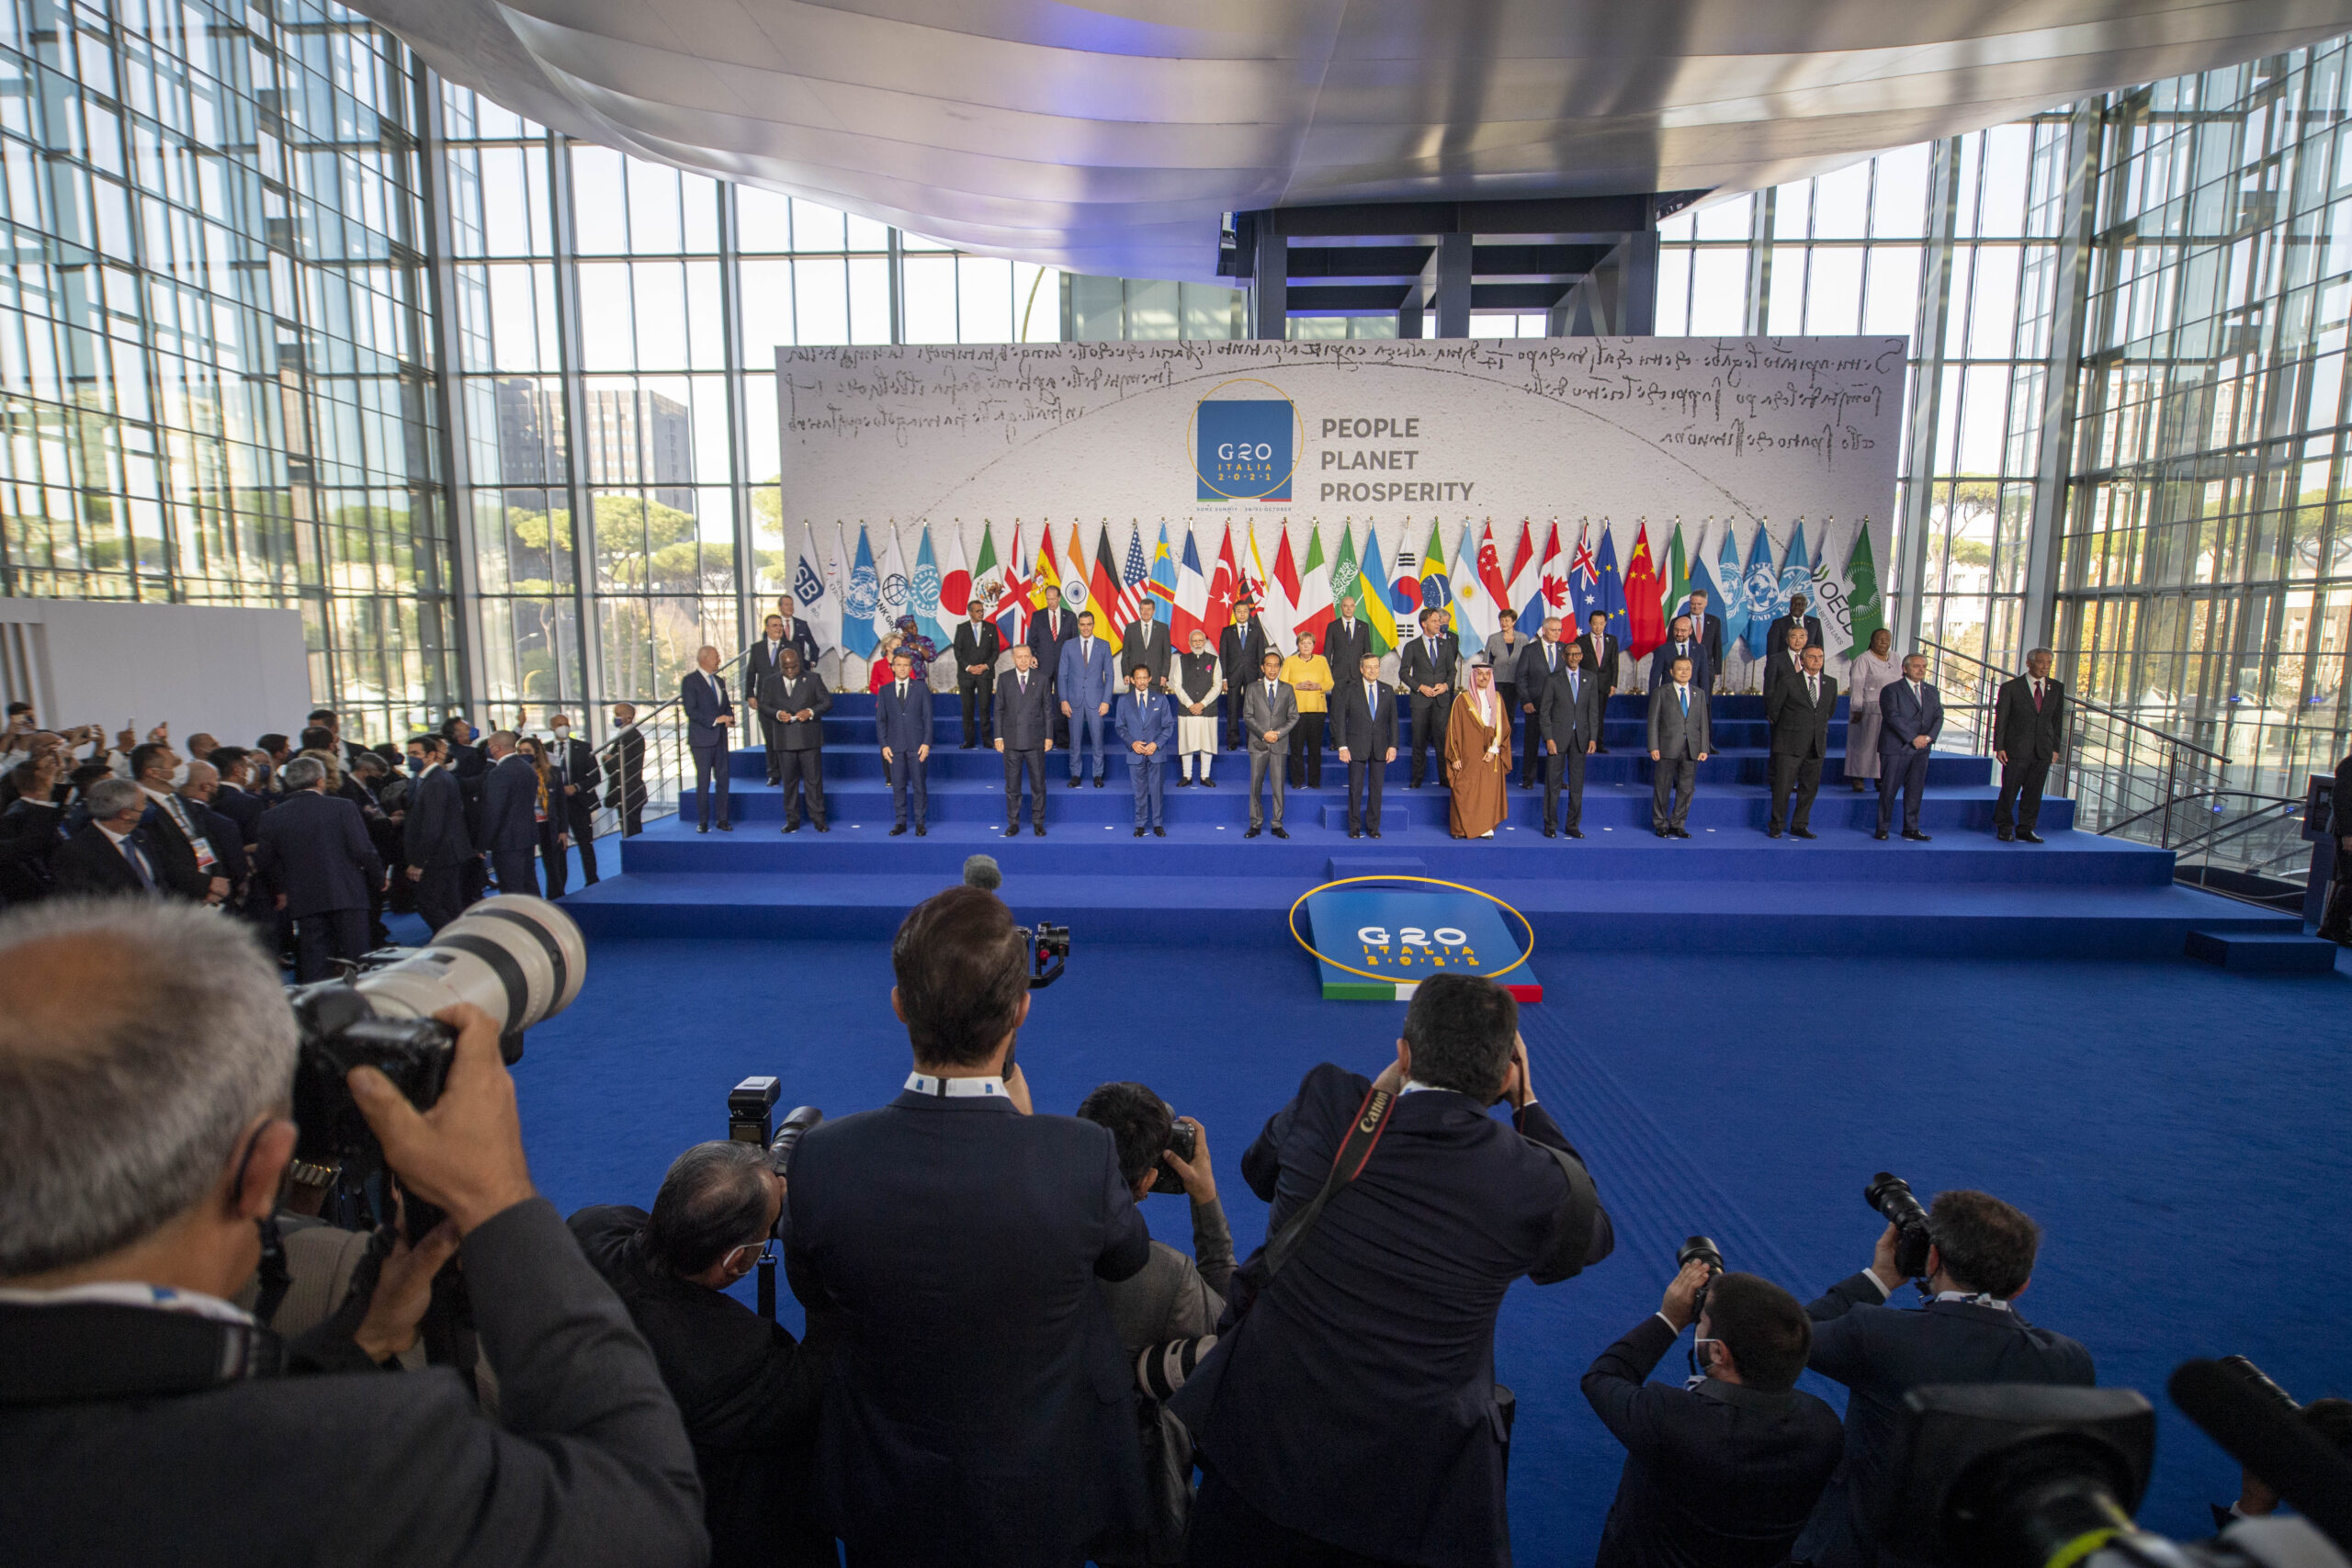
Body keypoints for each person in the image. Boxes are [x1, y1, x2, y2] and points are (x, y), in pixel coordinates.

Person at [0, 899, 707, 1568]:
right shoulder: (353, 1463)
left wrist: (353, 1347)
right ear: (262, 1171)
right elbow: (652, 1513)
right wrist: (497, 1197)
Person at [1174, 974, 1613, 1568]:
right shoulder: (1533, 1179)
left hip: (1262, 1456)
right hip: (1408, 1503)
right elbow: (1592, 1233)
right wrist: (1527, 1105)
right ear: (1504, 1074)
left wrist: (1377, 1098)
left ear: (1404, 1053)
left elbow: (1260, 1172)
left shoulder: (1328, 1100)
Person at [784, 886, 1152, 1566]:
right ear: (1021, 1010)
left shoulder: (821, 1159)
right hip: (1034, 1499)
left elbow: (813, 1292)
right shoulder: (1080, 1155)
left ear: (900, 1005)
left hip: (884, 1496)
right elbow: (1128, 1258)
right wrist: (1030, 1135)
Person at [1795, 1190, 2094, 1568]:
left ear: (1932, 1257)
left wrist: (1880, 1278)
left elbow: (1791, 1334)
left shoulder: (1877, 1335)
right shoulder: (2068, 1362)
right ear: (2022, 1287)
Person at [570, 1143, 835, 1568]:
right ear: (735, 1262)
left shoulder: (588, 1230)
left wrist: (744, 1189)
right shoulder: (733, 1357)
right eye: (769, 1226)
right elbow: (822, 1375)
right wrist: (810, 1250)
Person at [1582, 1263, 1843, 1568]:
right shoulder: (1824, 1427)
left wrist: (1670, 1318)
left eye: (1702, 1320)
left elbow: (1602, 1377)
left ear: (1718, 1353)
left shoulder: (1671, 1419)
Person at [1072, 1087, 1233, 1347]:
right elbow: (1231, 1333)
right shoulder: (1169, 1275)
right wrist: (1205, 1198)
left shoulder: (1017, 1222)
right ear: (1147, 1182)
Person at [256, 754, 388, 980]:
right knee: (356, 957)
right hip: (347, 892)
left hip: (304, 898)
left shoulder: (271, 817)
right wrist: (380, 877)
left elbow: (266, 861)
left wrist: (281, 890)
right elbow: (362, 849)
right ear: (320, 780)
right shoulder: (342, 807)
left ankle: (317, 1000)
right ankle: (359, 997)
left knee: (315, 959)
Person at [130, 741, 228, 905]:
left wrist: (214, 876)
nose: (182, 768)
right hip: (178, 897)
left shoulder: (181, 800)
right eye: (175, 764)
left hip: (208, 892)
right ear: (154, 773)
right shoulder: (139, 806)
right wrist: (203, 884)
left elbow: (200, 841)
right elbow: (158, 857)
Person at [1993, 647, 2066, 843]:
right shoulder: (2011, 687)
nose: (2045, 667)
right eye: (2041, 662)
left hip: (2043, 749)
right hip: (2016, 748)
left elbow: (2057, 721)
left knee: (2034, 793)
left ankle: (2026, 828)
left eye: (2049, 663)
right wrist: (1999, 746)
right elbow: (2002, 719)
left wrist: (2055, 748)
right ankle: (2004, 827)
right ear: (2029, 663)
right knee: (2010, 791)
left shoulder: (2056, 687)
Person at [402, 734, 474, 931]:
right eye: (409, 754)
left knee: (429, 903)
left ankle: (450, 939)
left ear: (431, 755)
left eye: (416, 754)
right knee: (449, 903)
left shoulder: (436, 781)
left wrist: (418, 862)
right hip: (445, 852)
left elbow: (432, 826)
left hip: (440, 854)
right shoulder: (422, 779)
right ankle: (460, 938)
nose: (411, 758)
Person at [1765, 646, 1836, 840]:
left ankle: (1800, 825)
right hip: (1789, 744)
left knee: (1809, 788)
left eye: (1820, 656)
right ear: (1802, 661)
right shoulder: (1788, 681)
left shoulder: (1830, 683)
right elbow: (1774, 711)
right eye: (1812, 657)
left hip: (1816, 744)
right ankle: (1777, 825)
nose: (1817, 660)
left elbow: (1828, 712)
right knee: (1783, 788)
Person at [47, 777, 163, 896]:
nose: (146, 807)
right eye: (143, 803)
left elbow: (160, 881)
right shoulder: (76, 853)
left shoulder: (141, 836)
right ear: (125, 814)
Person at [762, 647, 832, 834]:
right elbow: (764, 706)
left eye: (794, 666)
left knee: (813, 781)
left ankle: (818, 819)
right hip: (784, 740)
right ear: (780, 665)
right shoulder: (770, 682)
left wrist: (810, 712)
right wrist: (778, 714)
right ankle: (792, 820)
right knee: (789, 782)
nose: (791, 671)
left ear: (799, 663)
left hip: (809, 738)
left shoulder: (813, 679)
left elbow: (826, 702)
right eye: (786, 668)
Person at [1875, 653, 1943, 842]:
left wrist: (1928, 738)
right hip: (1896, 748)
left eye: (1924, 666)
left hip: (1922, 749)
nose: (1921, 670)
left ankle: (1911, 828)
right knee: (1889, 789)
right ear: (1905, 669)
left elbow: (1939, 715)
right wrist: (1913, 738)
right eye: (1916, 666)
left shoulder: (1932, 690)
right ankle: (1882, 828)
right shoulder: (1891, 690)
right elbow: (1892, 716)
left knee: (1915, 790)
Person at [1538, 638, 1600, 838]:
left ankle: (1572, 825)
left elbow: (1593, 711)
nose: (1574, 658)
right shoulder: (1553, 679)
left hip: (1581, 738)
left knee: (1577, 784)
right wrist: (1548, 738)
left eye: (1577, 654)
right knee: (1553, 783)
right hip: (1557, 739)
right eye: (1570, 654)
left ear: (1581, 657)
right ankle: (1550, 825)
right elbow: (1544, 712)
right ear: (1564, 657)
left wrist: (1593, 737)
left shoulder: (1590, 678)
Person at [1445, 655, 1510, 840]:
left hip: (1490, 754)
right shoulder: (1461, 700)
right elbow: (1453, 730)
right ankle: (1460, 829)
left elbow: (1503, 728)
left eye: (1487, 674)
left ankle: (1485, 828)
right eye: (1480, 674)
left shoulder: (1497, 699)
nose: (1483, 677)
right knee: (1464, 789)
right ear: (1473, 676)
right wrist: (1455, 756)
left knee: (1487, 791)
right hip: (1467, 753)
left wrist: (1493, 750)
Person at [1333, 652, 1396, 840]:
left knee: (1377, 789)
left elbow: (1393, 721)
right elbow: (1340, 720)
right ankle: (1354, 827)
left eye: (1376, 667)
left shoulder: (1387, 690)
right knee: (1355, 788)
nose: (1372, 670)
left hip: (1380, 747)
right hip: (1356, 746)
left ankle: (1373, 827)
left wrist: (1393, 745)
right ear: (1361, 669)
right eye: (1368, 667)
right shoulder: (1349, 690)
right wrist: (1342, 746)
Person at [995, 643, 1055, 837]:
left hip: (1035, 740)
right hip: (1011, 741)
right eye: (1019, 657)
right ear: (1013, 658)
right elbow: (999, 710)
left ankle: (1038, 822)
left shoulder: (1042, 679)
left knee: (1038, 785)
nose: (1023, 660)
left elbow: (1048, 710)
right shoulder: (1004, 679)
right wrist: (998, 736)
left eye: (1026, 656)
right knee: (1012, 786)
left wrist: (1049, 736)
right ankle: (1013, 822)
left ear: (1031, 658)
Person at [1647, 655, 1710, 840]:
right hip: (1666, 747)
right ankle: (1661, 824)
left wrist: (1704, 747)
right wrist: (1653, 746)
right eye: (1680, 669)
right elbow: (1653, 722)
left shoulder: (1699, 693)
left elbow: (1703, 723)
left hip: (1692, 748)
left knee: (1686, 789)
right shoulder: (1661, 692)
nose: (1684, 672)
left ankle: (1678, 824)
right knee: (1662, 787)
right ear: (1672, 672)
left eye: (1687, 669)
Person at [1398, 607, 1459, 787]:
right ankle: (1417, 777)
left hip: (1441, 701)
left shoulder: (1446, 645)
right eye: (1434, 621)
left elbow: (1452, 670)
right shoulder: (1412, 646)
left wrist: (1446, 685)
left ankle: (1445, 777)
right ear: (1424, 624)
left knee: (1442, 741)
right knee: (1419, 741)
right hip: (1420, 701)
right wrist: (1419, 687)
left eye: (1439, 621)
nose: (1439, 624)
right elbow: (1403, 673)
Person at [1059, 611, 1118, 789]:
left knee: (1097, 740)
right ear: (1079, 625)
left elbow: (1110, 675)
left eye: (1089, 624)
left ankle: (1098, 775)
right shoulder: (1068, 646)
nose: (1085, 628)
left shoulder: (1104, 645)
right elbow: (1062, 675)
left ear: (1093, 624)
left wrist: (1106, 701)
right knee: (1074, 741)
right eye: (1082, 624)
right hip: (1073, 700)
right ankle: (1075, 774)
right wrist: (1063, 699)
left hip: (1096, 701)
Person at [876, 647, 931, 836]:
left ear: (910, 667)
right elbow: (881, 720)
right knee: (898, 786)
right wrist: (884, 745)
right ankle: (901, 822)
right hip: (894, 747)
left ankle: (920, 822)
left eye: (906, 665)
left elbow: (928, 718)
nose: (902, 668)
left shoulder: (921, 688)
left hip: (917, 746)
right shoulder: (885, 690)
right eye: (898, 665)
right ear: (892, 667)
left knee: (919, 785)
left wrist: (926, 743)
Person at [544, 712, 602, 888]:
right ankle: (559, 886)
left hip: (578, 803)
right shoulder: (544, 750)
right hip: (555, 806)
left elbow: (595, 776)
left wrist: (576, 787)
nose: (563, 727)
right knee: (558, 847)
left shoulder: (583, 747)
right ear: (551, 727)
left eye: (566, 723)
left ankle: (592, 881)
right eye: (559, 724)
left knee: (585, 844)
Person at [480, 730, 542, 893]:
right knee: (529, 885)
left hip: (506, 841)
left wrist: (482, 844)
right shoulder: (527, 768)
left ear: (495, 748)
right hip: (526, 837)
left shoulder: (498, 773)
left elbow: (494, 811)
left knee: (512, 889)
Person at [1115, 663, 1173, 838]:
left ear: (1150, 679)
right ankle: (1140, 824)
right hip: (1135, 753)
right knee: (1139, 791)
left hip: (1156, 753)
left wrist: (1156, 744)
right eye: (1138, 678)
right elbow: (1120, 727)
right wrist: (1132, 743)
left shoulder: (1161, 699)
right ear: (1132, 680)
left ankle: (1157, 824)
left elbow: (1168, 726)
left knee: (1156, 790)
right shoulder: (1123, 701)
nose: (1141, 681)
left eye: (1144, 678)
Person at [1243, 650, 1296, 840]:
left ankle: (1277, 824)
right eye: (1269, 665)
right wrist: (1264, 733)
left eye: (1276, 666)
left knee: (1278, 787)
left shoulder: (1288, 689)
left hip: (1279, 745)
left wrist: (1278, 733)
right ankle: (1255, 824)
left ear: (1280, 668)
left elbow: (1293, 716)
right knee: (1255, 786)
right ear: (1262, 668)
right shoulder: (1252, 688)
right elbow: (1247, 715)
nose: (1272, 669)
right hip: (1258, 744)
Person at [684, 643, 737, 832]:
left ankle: (722, 819)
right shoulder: (690, 681)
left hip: (720, 739)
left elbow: (726, 706)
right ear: (704, 659)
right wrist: (715, 720)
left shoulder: (719, 681)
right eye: (716, 657)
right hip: (701, 740)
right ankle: (703, 821)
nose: (719, 660)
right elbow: (691, 711)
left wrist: (729, 717)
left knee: (723, 780)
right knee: (704, 782)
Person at [1517, 615, 1571, 787]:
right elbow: (1521, 678)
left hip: (1558, 708)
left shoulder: (1565, 649)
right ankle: (1528, 779)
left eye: (1560, 630)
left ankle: (1556, 779)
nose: (1558, 633)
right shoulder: (1529, 650)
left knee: (1558, 744)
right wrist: (1526, 701)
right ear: (1544, 631)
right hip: (1534, 706)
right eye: (1554, 630)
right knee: (1532, 744)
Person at [1845, 626, 1900, 794]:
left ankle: (1880, 778)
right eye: (1880, 639)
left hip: (1890, 710)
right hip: (1868, 708)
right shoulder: (1863, 659)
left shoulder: (1895, 657)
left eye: (1887, 639)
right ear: (1872, 641)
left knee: (1885, 746)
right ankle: (1858, 777)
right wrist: (1857, 708)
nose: (1884, 642)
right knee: (1864, 745)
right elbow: (1856, 684)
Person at [514, 737, 571, 896]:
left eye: (527, 751)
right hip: (527, 824)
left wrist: (563, 830)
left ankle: (556, 896)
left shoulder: (553, 772)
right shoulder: (518, 773)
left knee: (553, 864)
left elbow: (561, 803)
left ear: (537, 753)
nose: (523, 754)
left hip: (548, 823)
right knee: (527, 865)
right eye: (520, 751)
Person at [746, 613, 799, 783]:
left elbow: (800, 672)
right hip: (765, 702)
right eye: (775, 625)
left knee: (789, 738)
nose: (778, 628)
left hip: (787, 700)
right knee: (770, 739)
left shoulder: (792, 647)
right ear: (767, 628)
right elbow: (750, 673)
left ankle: (791, 773)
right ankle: (774, 774)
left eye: (780, 625)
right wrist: (750, 694)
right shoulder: (757, 648)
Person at [1281, 628, 1332, 788]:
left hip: (1317, 711)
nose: (1306, 646)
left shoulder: (1322, 661)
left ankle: (1314, 781)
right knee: (1296, 748)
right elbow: (1282, 684)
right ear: (1298, 645)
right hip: (1297, 711)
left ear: (1313, 645)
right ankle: (1297, 781)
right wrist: (1297, 685)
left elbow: (1330, 683)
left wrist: (1318, 686)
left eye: (1309, 643)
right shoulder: (1290, 661)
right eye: (1302, 643)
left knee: (1315, 749)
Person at [1218, 598, 1272, 751]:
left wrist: (1261, 675)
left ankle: (1252, 740)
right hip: (1233, 675)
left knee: (1252, 710)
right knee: (1232, 709)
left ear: (1249, 613)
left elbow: (1261, 654)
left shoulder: (1257, 631)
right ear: (1234, 613)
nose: (1242, 614)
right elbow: (1223, 656)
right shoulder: (1227, 631)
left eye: (1245, 611)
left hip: (1252, 675)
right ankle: (1233, 741)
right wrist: (1224, 677)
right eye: (1239, 611)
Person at [1171, 628, 1223, 787]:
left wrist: (1202, 704)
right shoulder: (1182, 660)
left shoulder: (1214, 660)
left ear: (1205, 642)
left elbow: (1217, 685)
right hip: (1187, 710)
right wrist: (1190, 704)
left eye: (1200, 640)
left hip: (1207, 710)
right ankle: (1187, 776)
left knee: (1206, 743)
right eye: (1194, 641)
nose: (1198, 643)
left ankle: (1204, 776)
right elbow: (1177, 685)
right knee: (1187, 743)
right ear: (1189, 643)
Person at [1028, 595, 1080, 749]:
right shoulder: (1037, 616)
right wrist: (1032, 655)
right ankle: (1043, 738)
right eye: (1048, 599)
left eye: (1053, 599)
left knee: (1062, 702)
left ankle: (1063, 739)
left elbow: (1074, 641)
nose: (1050, 602)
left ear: (1059, 598)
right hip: (1042, 666)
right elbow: (1032, 640)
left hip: (1064, 666)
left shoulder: (1070, 616)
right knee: (1041, 702)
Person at [954, 600, 1001, 748]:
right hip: (966, 675)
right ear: (970, 612)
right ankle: (969, 740)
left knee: (984, 707)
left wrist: (986, 666)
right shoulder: (962, 628)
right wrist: (968, 667)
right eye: (978, 611)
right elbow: (957, 652)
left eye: (982, 610)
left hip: (985, 674)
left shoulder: (991, 628)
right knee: (967, 708)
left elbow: (996, 650)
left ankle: (987, 739)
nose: (981, 613)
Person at [2320, 747, 2352, 945]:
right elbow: (2341, 802)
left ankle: (2332, 927)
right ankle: (2336, 929)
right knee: (2349, 881)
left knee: (2346, 881)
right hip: (2347, 833)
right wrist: (2348, 835)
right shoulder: (2349, 765)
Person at [1577, 611, 1622, 750]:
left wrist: (1613, 684)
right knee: (1584, 714)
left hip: (1604, 684)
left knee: (1599, 715)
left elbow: (1614, 663)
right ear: (1590, 623)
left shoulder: (1612, 640)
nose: (1598, 627)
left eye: (1601, 624)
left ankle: (1599, 744)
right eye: (1595, 624)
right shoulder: (1580, 641)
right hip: (1585, 685)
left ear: (1605, 623)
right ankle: (1583, 742)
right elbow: (1577, 664)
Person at [1483, 612, 1526, 758]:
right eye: (1501, 620)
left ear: (1513, 622)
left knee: (1510, 713)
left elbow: (1527, 660)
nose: (1504, 623)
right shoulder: (1493, 638)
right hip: (1497, 681)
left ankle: (1506, 742)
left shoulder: (1523, 638)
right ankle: (1493, 741)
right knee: (1495, 712)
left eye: (1507, 620)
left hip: (1515, 681)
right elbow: (1487, 661)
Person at [1761, 593, 1826, 687]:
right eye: (1794, 604)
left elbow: (1820, 650)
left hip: (1808, 672)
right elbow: (1772, 651)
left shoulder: (1815, 623)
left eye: (1801, 604)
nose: (1797, 607)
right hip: (1785, 673)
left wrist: (1820, 675)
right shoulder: (1778, 623)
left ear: (1806, 605)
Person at [603, 702, 649, 835]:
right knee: (627, 828)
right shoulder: (624, 736)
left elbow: (620, 764)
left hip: (630, 791)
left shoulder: (631, 736)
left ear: (629, 717)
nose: (615, 718)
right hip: (625, 792)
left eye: (618, 714)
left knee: (631, 829)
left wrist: (608, 759)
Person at [1677, 588, 1728, 693]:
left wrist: (1717, 670)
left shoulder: (1714, 621)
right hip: (1685, 668)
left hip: (1707, 669)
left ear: (1706, 604)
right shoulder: (1679, 621)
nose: (1696, 607)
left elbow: (1717, 647)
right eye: (1693, 604)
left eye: (1699, 604)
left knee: (1705, 698)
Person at [1648, 615, 1714, 694]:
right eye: (1676, 630)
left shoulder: (1700, 649)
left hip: (1693, 696)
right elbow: (1654, 678)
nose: (1679, 634)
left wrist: (1704, 699)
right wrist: (1654, 699)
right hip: (1668, 696)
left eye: (1683, 631)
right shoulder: (1662, 650)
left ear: (1690, 631)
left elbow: (1704, 678)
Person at [1321, 595, 1373, 692]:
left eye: (1351, 606)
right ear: (1341, 607)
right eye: (1345, 606)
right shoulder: (1332, 626)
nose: (1349, 609)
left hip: (1358, 674)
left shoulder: (1364, 627)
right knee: (1338, 701)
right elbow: (1327, 652)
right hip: (1338, 675)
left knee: (1356, 701)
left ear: (1355, 607)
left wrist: (1366, 671)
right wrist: (1329, 672)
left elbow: (1367, 653)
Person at [1120, 610, 1172, 693]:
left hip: (1156, 678)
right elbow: (1125, 654)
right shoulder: (1130, 628)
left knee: (1156, 701)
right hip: (1135, 679)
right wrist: (1126, 673)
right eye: (1143, 609)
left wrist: (1164, 675)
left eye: (1148, 609)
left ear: (1153, 611)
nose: (1146, 612)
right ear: (1140, 611)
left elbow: (1167, 655)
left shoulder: (1163, 628)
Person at [1763, 625, 1813, 700]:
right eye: (1794, 637)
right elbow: (1769, 689)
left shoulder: (1811, 659)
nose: (1797, 641)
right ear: (1787, 640)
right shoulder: (1775, 660)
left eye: (1801, 637)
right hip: (1784, 704)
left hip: (1806, 704)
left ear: (1806, 639)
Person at [890, 615, 936, 683]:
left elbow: (932, 657)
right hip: (901, 677)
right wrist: (897, 639)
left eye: (915, 625)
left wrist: (918, 647)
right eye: (911, 627)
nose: (914, 628)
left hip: (918, 678)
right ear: (904, 630)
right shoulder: (899, 640)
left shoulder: (924, 640)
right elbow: (887, 656)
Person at [867, 629, 905, 694]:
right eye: (897, 645)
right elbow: (873, 686)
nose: (900, 647)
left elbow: (912, 682)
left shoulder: (906, 663)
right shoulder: (878, 665)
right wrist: (884, 694)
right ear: (887, 647)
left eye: (901, 645)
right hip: (886, 699)